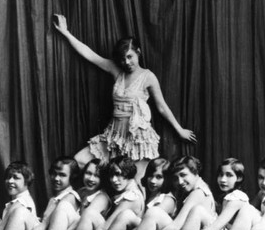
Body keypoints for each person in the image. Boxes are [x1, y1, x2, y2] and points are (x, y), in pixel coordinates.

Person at [52, 14, 196, 177]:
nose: (126, 62)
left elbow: (162, 107)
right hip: (114, 136)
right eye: (123, 59)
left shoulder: (148, 77)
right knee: (79, 160)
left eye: (130, 57)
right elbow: (91, 55)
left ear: (138, 52)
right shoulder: (117, 71)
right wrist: (66, 33)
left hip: (137, 138)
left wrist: (179, 130)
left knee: (135, 181)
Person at [93, 156, 215, 230]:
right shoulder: (199, 188)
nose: (180, 181)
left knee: (154, 213)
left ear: (195, 172)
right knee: (152, 214)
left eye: (183, 175)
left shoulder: (197, 193)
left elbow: (176, 226)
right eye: (177, 177)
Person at [42, 156, 145, 230]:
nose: (114, 180)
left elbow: (105, 228)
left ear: (129, 174)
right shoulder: (126, 190)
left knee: (91, 214)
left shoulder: (131, 197)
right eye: (111, 175)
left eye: (118, 174)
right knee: (89, 214)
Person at [79, 157, 176, 230]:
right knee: (126, 216)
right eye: (150, 176)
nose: (152, 181)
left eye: (159, 177)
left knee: (130, 216)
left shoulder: (167, 200)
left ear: (167, 179)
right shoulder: (149, 195)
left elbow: (148, 228)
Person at [165, 158, 249, 230]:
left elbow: (214, 229)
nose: (223, 179)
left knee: (198, 212)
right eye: (220, 175)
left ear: (239, 178)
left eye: (229, 175)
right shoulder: (226, 197)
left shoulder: (236, 197)